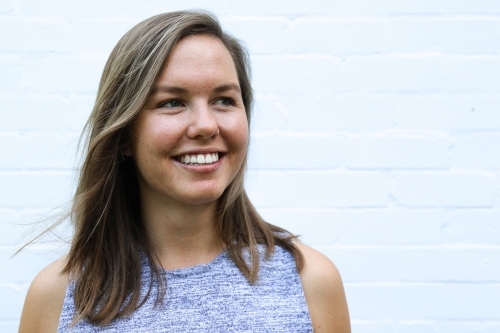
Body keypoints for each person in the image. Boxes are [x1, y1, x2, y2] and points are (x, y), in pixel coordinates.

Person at [18, 10, 350, 333]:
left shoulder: (310, 282)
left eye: (224, 100)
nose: (206, 125)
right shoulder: (57, 297)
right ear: (124, 134)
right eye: (172, 102)